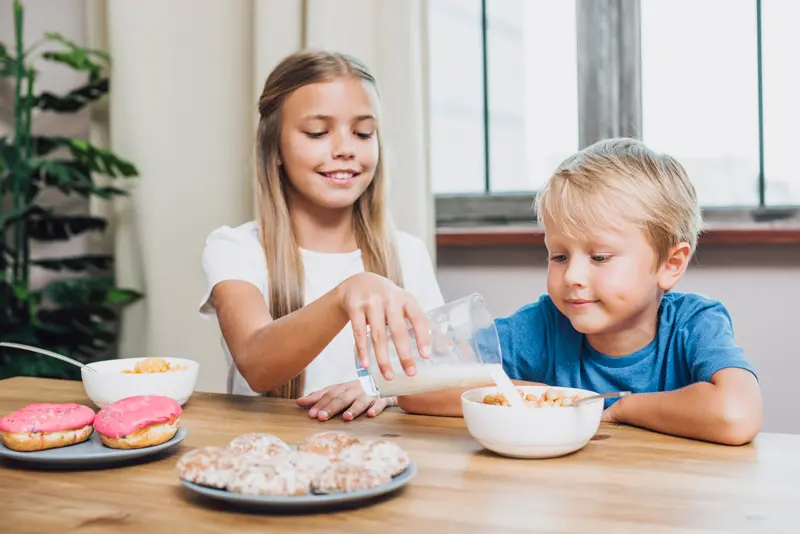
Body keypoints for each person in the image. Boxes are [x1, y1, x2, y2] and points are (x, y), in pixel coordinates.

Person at [396, 138, 762, 446]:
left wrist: (620, 409)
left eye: (600, 257)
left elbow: (736, 414)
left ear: (671, 264)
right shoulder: (543, 326)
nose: (572, 275)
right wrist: (545, 399)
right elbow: (418, 389)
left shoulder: (694, 324)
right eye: (558, 255)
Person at [198, 50, 443, 422]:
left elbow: (439, 374)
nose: (345, 149)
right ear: (274, 148)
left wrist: (383, 390)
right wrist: (346, 293)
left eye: (363, 132)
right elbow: (256, 365)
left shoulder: (408, 253)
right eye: (318, 132)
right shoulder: (235, 249)